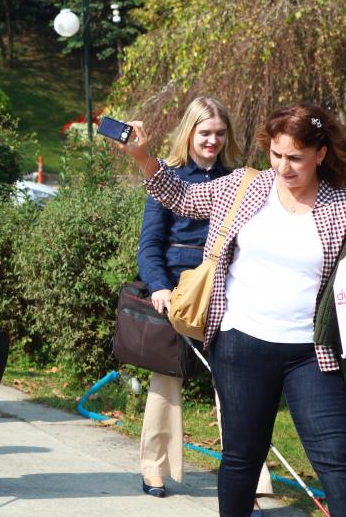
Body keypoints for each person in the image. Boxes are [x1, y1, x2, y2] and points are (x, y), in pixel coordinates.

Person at [118, 103, 346, 516]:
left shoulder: (340, 205)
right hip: (241, 343)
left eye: (296, 158)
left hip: (311, 353)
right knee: (242, 457)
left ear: (321, 154)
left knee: (336, 460)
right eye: (276, 154)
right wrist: (144, 157)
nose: (284, 167)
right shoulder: (245, 186)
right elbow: (182, 197)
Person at [135, 98, 273, 502]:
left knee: (238, 384)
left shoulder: (239, 180)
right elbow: (149, 245)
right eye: (205, 132)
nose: (213, 140)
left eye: (220, 133)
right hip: (179, 292)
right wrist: (159, 286)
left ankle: (252, 480)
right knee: (166, 379)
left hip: (227, 290)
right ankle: (154, 466)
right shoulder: (167, 176)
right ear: (189, 133)